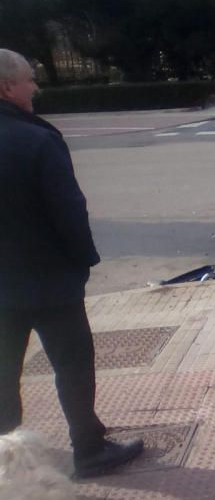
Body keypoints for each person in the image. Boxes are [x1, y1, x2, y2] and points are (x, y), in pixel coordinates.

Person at [0, 49, 143, 477]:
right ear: (6, 88)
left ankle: (9, 457)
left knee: (3, 369)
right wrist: (83, 260)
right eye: (29, 79)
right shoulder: (37, 140)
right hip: (50, 281)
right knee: (73, 364)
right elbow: (69, 211)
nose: (36, 87)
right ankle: (89, 448)